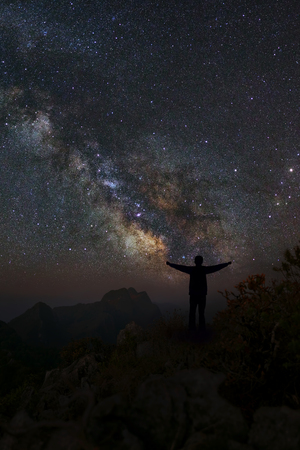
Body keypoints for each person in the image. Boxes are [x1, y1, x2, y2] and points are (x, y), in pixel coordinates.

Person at [166, 256, 231, 332]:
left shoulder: (193, 270)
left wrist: (171, 264)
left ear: (195, 261)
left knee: (193, 313)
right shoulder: (203, 270)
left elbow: (181, 267)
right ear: (201, 261)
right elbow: (215, 268)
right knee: (200, 313)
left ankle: (192, 330)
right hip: (201, 294)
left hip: (194, 294)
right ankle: (201, 330)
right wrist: (226, 264)